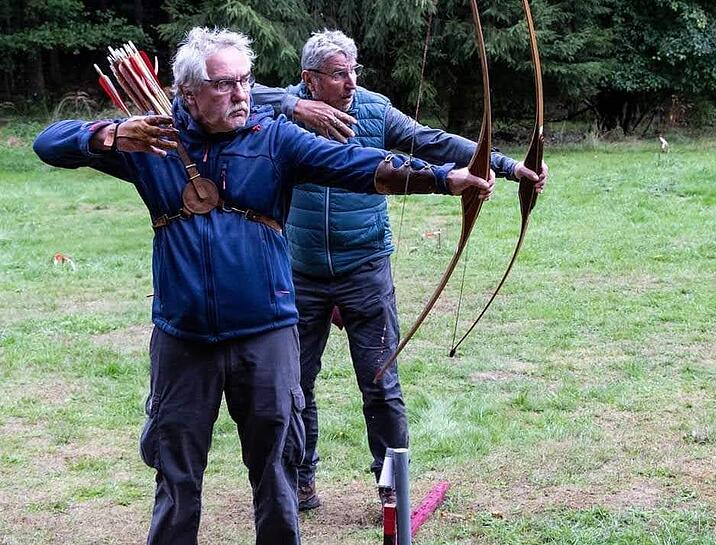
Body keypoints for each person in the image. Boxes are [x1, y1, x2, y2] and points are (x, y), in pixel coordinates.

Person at [32, 27, 493, 545]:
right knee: (177, 477)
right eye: (224, 85)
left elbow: (357, 164)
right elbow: (47, 143)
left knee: (277, 474)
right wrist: (109, 136)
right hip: (184, 339)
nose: (240, 94)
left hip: (266, 334)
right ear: (188, 93)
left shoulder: (273, 137)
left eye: (245, 82)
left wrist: (443, 177)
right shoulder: (152, 139)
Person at [252, 29, 547, 511]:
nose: (350, 82)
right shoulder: (283, 109)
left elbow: (431, 142)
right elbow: (229, 92)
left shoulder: (371, 108)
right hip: (299, 270)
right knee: (294, 384)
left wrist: (508, 166)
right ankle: (299, 479)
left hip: (364, 266)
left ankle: (392, 486)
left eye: (353, 71)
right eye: (337, 73)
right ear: (309, 79)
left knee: (380, 380)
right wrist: (294, 107)